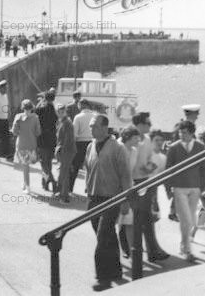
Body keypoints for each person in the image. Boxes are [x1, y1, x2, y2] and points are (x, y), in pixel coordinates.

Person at [84, 115, 132, 291]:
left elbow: (126, 176)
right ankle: (115, 270)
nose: (91, 129)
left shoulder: (118, 148)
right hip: (94, 198)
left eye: (94, 126)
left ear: (105, 127)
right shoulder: (90, 146)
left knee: (103, 237)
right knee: (107, 235)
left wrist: (126, 200)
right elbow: (88, 170)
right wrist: (87, 193)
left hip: (113, 198)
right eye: (90, 126)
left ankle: (103, 278)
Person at [165, 120, 205, 262]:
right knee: (187, 219)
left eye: (184, 133)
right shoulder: (173, 148)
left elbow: (204, 168)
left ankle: (183, 246)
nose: (181, 135)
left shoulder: (200, 146)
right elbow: (168, 169)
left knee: (188, 220)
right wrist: (168, 189)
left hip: (195, 188)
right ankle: (188, 250)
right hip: (179, 188)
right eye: (180, 133)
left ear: (191, 133)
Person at [130, 112, 169, 261]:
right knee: (130, 219)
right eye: (148, 123)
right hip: (131, 183)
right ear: (139, 124)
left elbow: (150, 159)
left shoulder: (146, 140)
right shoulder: (129, 137)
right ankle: (131, 250)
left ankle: (153, 251)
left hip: (144, 182)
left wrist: (150, 167)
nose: (150, 126)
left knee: (146, 217)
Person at [167, 103, 201, 222]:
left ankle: (175, 211)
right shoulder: (181, 128)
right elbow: (177, 146)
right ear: (190, 114)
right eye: (196, 114)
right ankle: (174, 212)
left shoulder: (190, 127)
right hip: (181, 164)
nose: (197, 116)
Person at [116, 125, 140, 259]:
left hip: (128, 187)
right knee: (121, 220)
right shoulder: (118, 147)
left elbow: (132, 171)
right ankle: (126, 248)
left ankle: (130, 250)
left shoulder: (135, 151)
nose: (138, 140)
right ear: (128, 138)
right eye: (136, 138)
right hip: (116, 188)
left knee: (128, 219)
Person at [11, 99, 41, 193]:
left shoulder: (18, 117)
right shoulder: (35, 117)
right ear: (31, 107)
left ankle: (27, 186)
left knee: (25, 166)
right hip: (31, 144)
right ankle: (25, 183)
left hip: (21, 144)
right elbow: (38, 132)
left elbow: (14, 132)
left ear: (22, 108)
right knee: (26, 166)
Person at [36, 90, 58, 191]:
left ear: (45, 98)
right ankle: (45, 183)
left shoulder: (42, 109)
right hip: (52, 139)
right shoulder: (54, 109)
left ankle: (53, 182)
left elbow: (35, 113)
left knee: (44, 163)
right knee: (47, 162)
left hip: (42, 139)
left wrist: (40, 102)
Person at [71, 99, 95, 193]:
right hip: (92, 143)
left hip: (80, 143)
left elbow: (74, 134)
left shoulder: (78, 117)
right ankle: (89, 187)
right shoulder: (94, 115)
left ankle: (70, 188)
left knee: (75, 167)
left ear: (81, 106)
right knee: (90, 167)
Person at [54, 104, 76, 203]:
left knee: (64, 173)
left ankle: (64, 196)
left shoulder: (67, 122)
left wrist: (62, 150)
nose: (60, 113)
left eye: (62, 111)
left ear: (65, 112)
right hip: (64, 150)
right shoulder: (62, 121)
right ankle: (62, 194)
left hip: (66, 150)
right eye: (59, 111)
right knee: (64, 173)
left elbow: (68, 139)